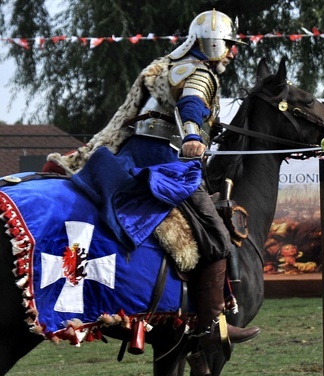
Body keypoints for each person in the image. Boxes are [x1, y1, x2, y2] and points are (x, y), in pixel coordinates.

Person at [43, 9, 260, 348]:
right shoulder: (200, 72)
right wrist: (191, 136)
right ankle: (211, 325)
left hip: (131, 155)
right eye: (229, 45)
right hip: (166, 162)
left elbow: (127, 119)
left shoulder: (162, 68)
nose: (232, 52)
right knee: (218, 237)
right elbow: (192, 103)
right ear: (214, 43)